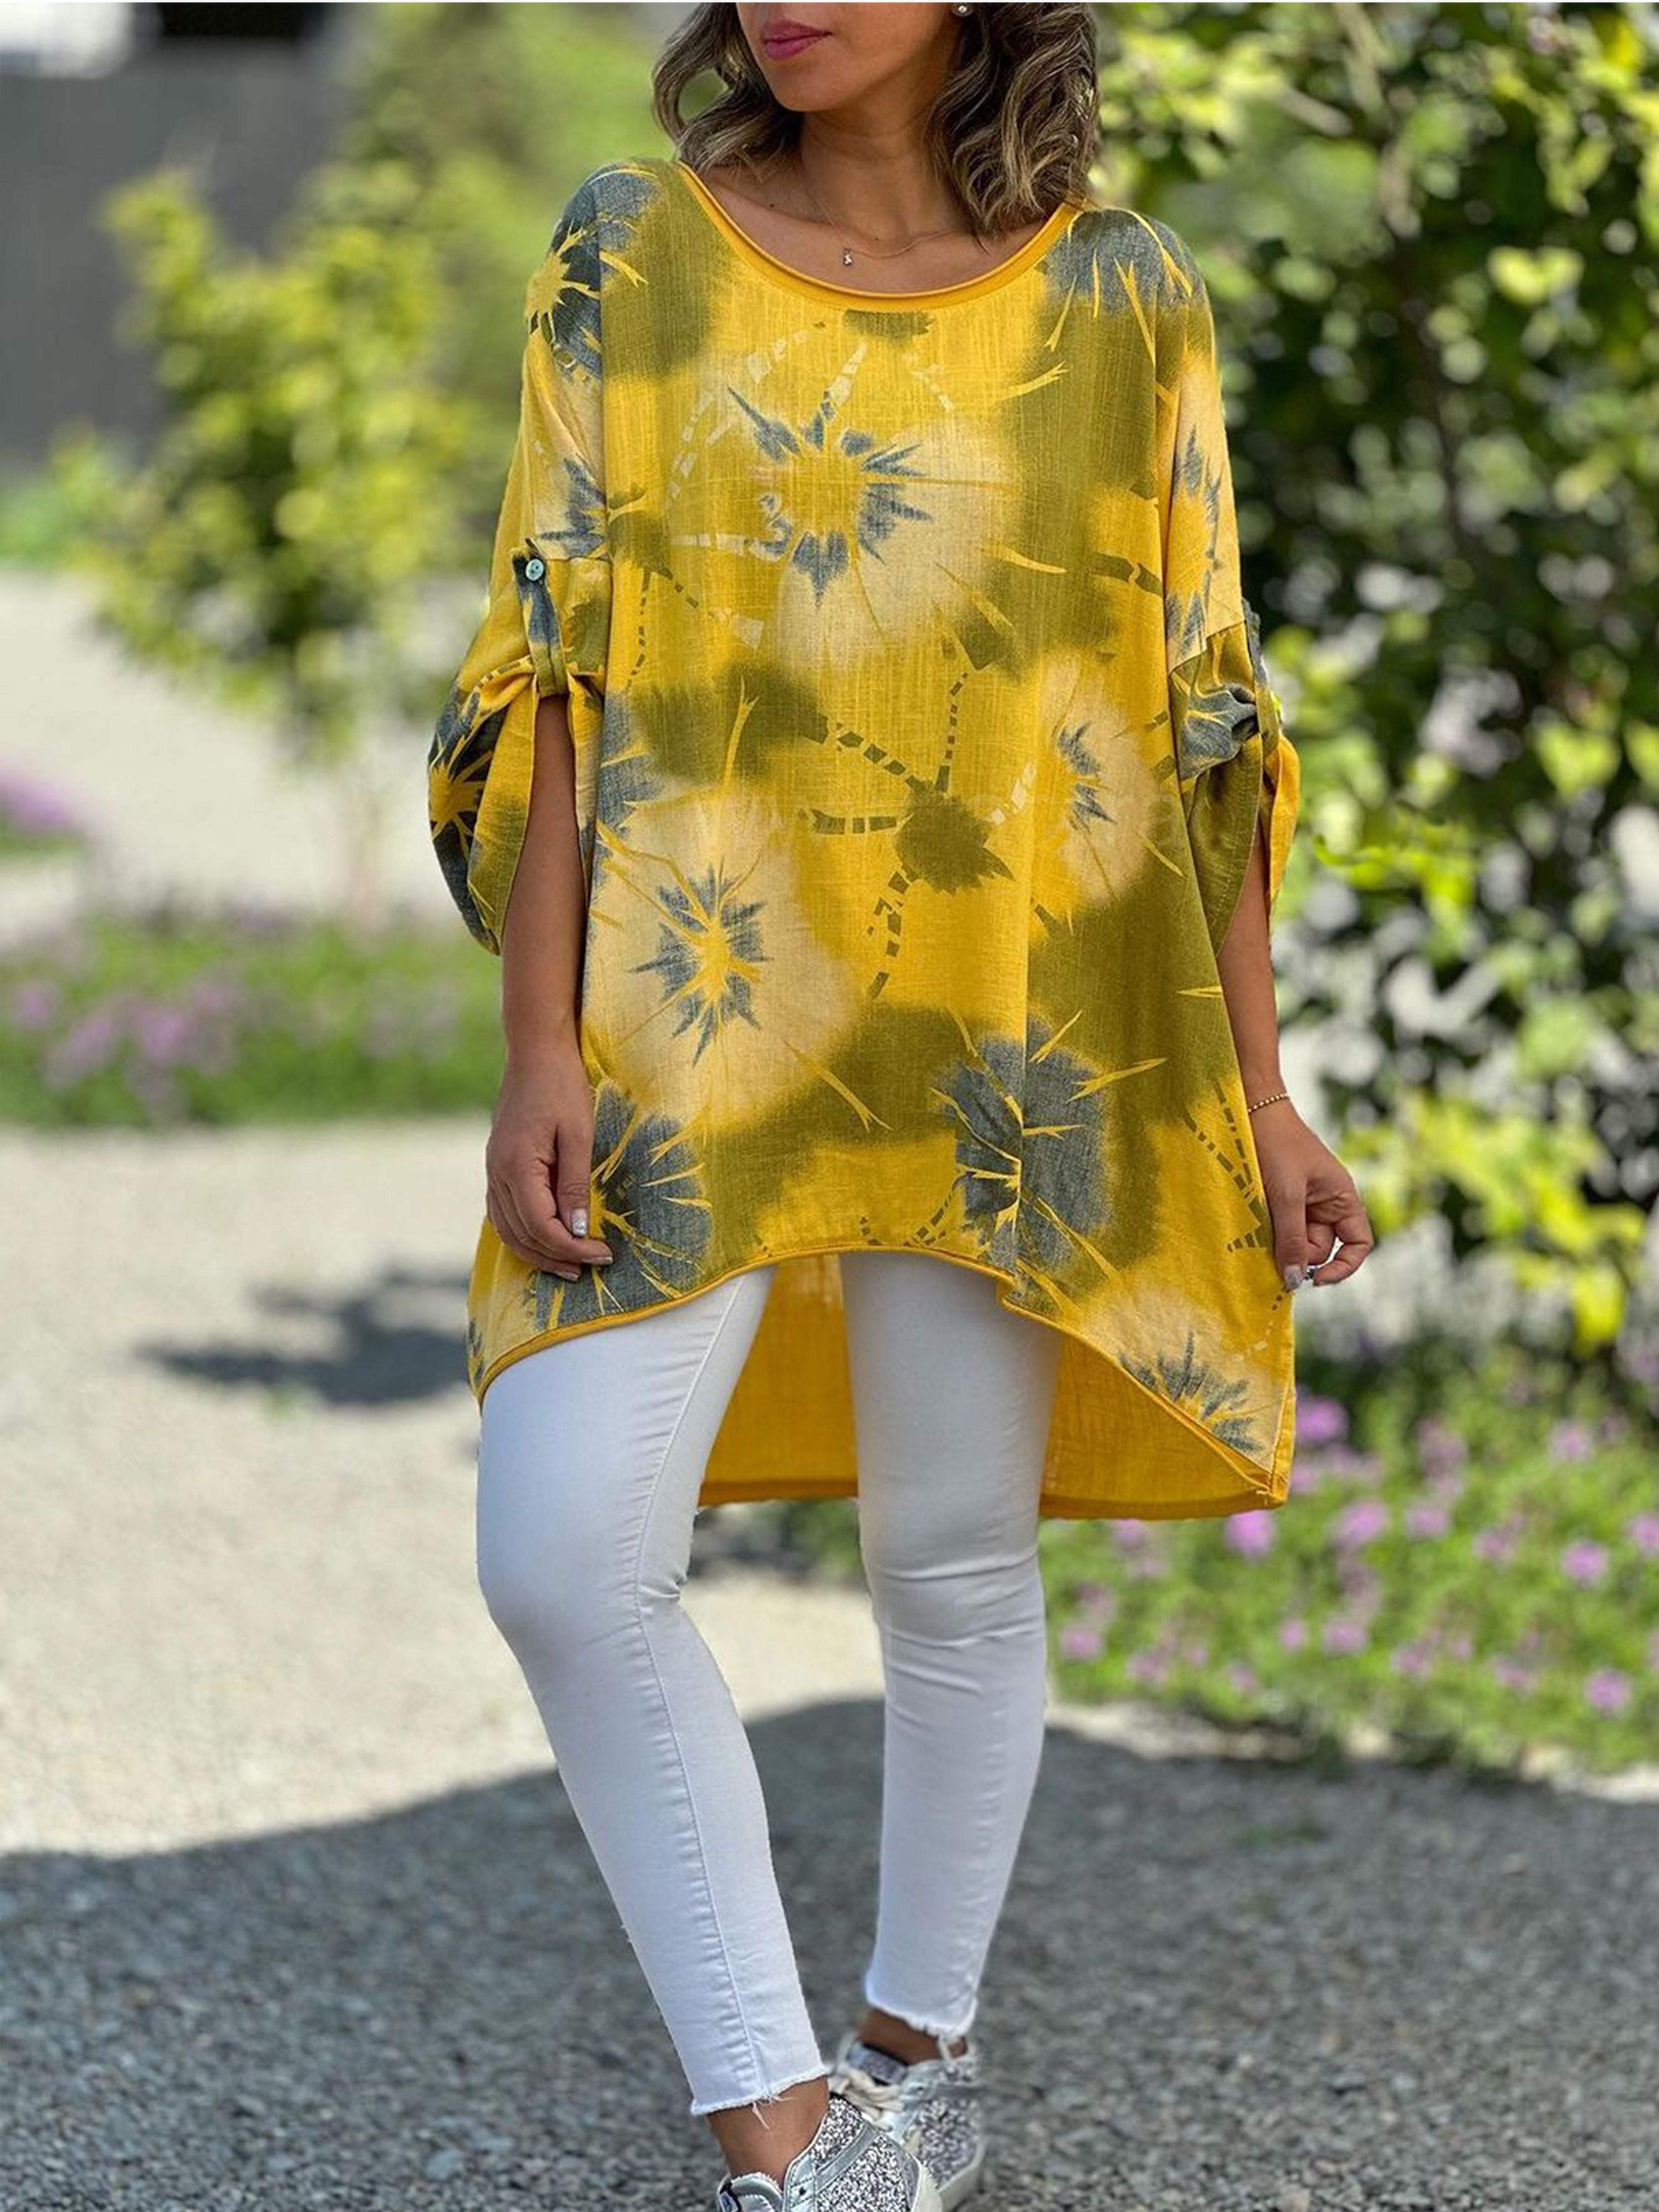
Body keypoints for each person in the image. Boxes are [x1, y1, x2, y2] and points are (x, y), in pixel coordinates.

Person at [425, 5, 1375, 2206]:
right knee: (564, 1554)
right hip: (689, 1010)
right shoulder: (629, 253)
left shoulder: (1125, 297)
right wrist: (540, 1042)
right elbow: (553, 670)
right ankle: (783, 2139)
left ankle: (912, 2068)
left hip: (1013, 1020)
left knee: (952, 1558)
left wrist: (1263, 1093)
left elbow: (1204, 716)